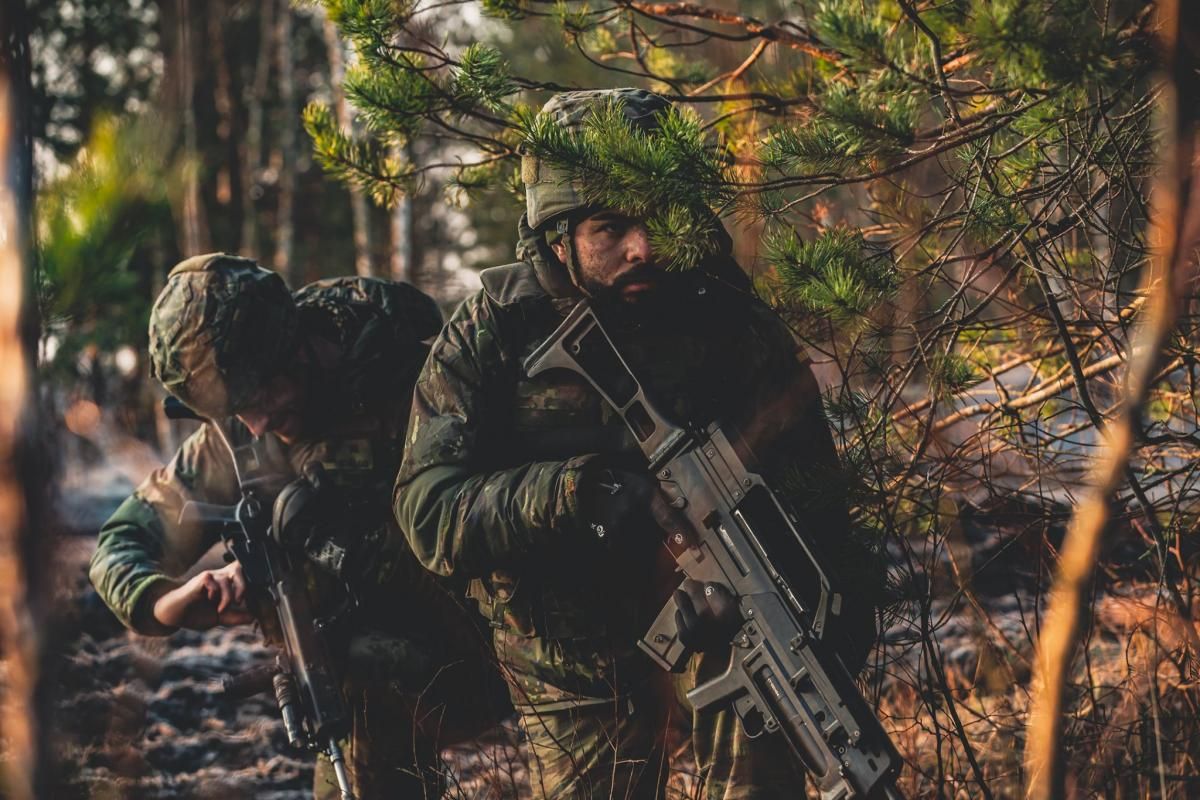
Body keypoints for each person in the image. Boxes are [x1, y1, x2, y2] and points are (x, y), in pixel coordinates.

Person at [394, 89, 877, 800]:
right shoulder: (496, 333)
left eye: (656, 217)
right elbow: (427, 510)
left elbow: (820, 496)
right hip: (569, 653)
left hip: (729, 624)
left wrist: (834, 622)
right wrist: (570, 492)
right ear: (557, 235)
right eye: (610, 226)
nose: (642, 246)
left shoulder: (729, 319)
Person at [90, 253, 508, 799]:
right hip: (357, 693)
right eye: (235, 410)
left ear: (300, 347)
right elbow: (121, 544)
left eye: (263, 396)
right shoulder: (236, 429)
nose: (256, 423)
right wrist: (169, 601)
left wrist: (339, 538)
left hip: (486, 652)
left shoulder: (418, 380)